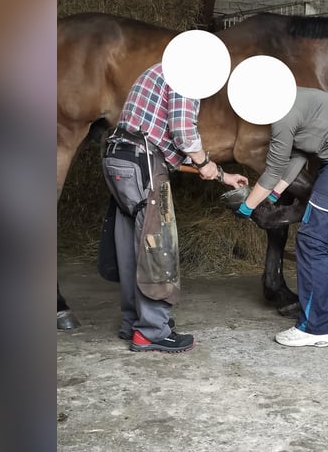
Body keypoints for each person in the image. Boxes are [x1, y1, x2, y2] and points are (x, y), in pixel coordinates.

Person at [102, 62, 248, 353]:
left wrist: (220, 175)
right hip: (144, 164)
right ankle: (152, 331)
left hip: (119, 158)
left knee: (131, 245)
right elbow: (183, 133)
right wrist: (204, 161)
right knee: (158, 245)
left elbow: (165, 145)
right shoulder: (186, 75)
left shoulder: (154, 71)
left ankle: (132, 322)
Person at [234, 87, 328, 347]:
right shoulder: (297, 99)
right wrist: (275, 194)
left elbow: (273, 169)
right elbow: (298, 156)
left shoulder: (283, 116)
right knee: (324, 244)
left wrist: (247, 206)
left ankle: (313, 328)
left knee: (311, 242)